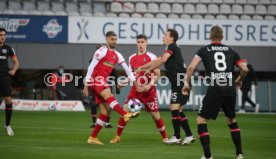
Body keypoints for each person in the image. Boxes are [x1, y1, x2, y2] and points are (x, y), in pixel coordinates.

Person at [182, 25, 248, 159]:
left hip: (216, 87)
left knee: (201, 120)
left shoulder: (204, 50)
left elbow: (191, 67)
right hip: (229, 87)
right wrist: (239, 79)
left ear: (210, 36)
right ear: (222, 37)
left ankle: (207, 156)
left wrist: (186, 84)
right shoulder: (231, 50)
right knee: (231, 120)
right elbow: (245, 69)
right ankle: (239, 154)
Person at [138, 29, 195, 145]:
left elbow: (162, 60)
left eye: (165, 35)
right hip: (178, 81)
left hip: (180, 80)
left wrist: (147, 68)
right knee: (178, 109)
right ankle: (189, 135)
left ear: (171, 38)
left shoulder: (172, 47)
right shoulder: (170, 49)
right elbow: (158, 60)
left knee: (174, 107)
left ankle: (177, 136)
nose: (163, 37)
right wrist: (143, 67)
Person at [83, 31, 139, 145]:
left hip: (103, 80)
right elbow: (91, 66)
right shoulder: (101, 51)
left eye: (115, 39)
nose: (114, 41)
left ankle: (93, 137)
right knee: (109, 95)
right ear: (107, 39)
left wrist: (133, 79)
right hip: (96, 79)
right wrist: (86, 84)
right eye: (112, 39)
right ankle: (125, 114)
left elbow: (127, 69)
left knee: (105, 112)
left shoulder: (118, 55)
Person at [110, 34, 167, 144]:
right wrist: (125, 82)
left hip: (149, 91)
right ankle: (117, 137)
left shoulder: (152, 57)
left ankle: (165, 138)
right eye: (139, 42)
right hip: (135, 90)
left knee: (155, 115)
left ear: (146, 43)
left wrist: (149, 86)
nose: (140, 44)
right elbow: (132, 74)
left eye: (142, 42)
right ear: (136, 43)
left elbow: (158, 73)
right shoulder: (132, 58)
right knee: (125, 111)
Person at [0, 28, 20, 136]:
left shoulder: (9, 49)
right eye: (0, 35)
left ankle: (7, 125)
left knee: (8, 101)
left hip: (4, 78)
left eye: (4, 35)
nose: (2, 37)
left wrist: (14, 70)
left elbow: (16, 62)